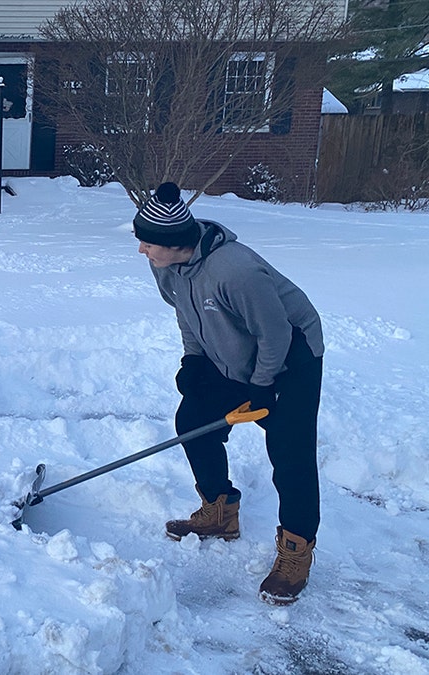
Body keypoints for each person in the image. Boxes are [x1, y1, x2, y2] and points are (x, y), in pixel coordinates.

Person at [133, 181, 324, 605]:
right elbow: (187, 314)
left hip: (291, 358)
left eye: (147, 242)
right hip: (235, 351)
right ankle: (220, 512)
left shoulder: (235, 271)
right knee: (193, 421)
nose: (142, 251)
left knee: (290, 454)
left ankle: (296, 550)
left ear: (173, 241)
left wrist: (262, 387)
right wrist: (194, 361)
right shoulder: (165, 266)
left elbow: (275, 332)